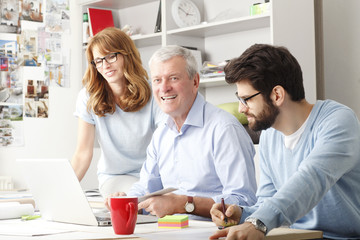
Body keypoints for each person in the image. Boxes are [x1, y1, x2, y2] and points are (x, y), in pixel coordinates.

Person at [209, 44, 360, 239]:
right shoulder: (270, 135)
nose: (241, 109)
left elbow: (311, 179)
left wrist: (258, 222)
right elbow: (268, 201)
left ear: (277, 95)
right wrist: (241, 213)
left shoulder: (338, 121)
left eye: (246, 99)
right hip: (292, 236)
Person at [106, 45, 257, 219]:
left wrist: (184, 204)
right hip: (167, 231)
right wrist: (126, 200)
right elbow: (146, 189)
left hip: (211, 233)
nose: (164, 88)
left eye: (173, 78)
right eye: (157, 80)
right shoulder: (161, 133)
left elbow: (244, 202)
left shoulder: (224, 129)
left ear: (195, 82)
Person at [71, 27, 164, 197]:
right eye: (98, 60)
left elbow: (167, 144)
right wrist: (64, 191)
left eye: (111, 56)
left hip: (153, 174)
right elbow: (83, 153)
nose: (105, 65)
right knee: (134, 198)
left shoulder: (154, 92)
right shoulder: (87, 97)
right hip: (116, 177)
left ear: (127, 55)